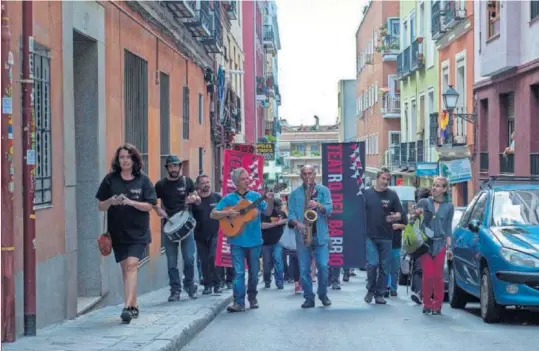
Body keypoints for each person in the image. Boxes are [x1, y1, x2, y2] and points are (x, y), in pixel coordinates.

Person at [95, 143, 157, 324]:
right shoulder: (110, 180)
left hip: (138, 232)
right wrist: (111, 202)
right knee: (126, 269)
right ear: (118, 160)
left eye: (128, 157)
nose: (125, 160)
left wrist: (131, 202)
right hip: (118, 233)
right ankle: (134, 305)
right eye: (122, 157)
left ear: (134, 159)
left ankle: (127, 307)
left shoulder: (143, 180)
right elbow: (100, 206)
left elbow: (150, 205)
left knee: (132, 265)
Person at [210, 167, 274, 312]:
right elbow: (213, 214)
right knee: (238, 273)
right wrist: (227, 212)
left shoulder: (255, 196)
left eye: (247, 178)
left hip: (255, 241)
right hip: (236, 240)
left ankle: (252, 297)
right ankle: (238, 302)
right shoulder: (229, 198)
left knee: (253, 273)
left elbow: (268, 211)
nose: (247, 181)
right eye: (244, 179)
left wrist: (269, 200)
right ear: (236, 182)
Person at [154, 155, 201, 302]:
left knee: (189, 258)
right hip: (169, 226)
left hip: (186, 225)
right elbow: (151, 201)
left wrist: (194, 198)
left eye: (176, 166)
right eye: (171, 166)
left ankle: (189, 284)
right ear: (167, 168)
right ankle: (175, 290)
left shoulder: (187, 181)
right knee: (171, 261)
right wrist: (157, 209)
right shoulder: (160, 185)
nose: (174, 169)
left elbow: (196, 197)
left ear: (180, 167)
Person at [288, 165, 333, 308]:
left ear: (315, 174)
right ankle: (308, 297)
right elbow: (291, 215)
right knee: (304, 269)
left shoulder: (324, 191)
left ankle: (322, 293)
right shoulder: (295, 194)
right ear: (301, 176)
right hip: (302, 236)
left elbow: (330, 210)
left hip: (320, 235)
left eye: (310, 173)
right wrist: (297, 223)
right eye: (305, 174)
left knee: (324, 266)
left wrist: (318, 205)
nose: (308, 176)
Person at [413, 177, 454, 315]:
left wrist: (449, 248)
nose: (435, 188)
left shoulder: (449, 207)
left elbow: (448, 229)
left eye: (438, 186)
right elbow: (413, 214)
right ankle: (427, 304)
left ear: (444, 189)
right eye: (434, 185)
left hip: (440, 243)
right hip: (425, 243)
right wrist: (417, 213)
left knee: (438, 277)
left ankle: (437, 306)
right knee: (428, 275)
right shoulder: (425, 202)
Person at [363, 167, 404, 305]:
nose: (386, 181)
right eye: (383, 179)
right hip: (369, 235)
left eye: (388, 179)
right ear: (377, 178)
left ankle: (379, 294)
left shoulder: (392, 195)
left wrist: (395, 216)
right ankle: (370, 289)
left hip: (386, 236)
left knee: (385, 267)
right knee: (373, 264)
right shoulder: (366, 193)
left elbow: (400, 214)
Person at [191, 174, 223, 295]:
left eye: (208, 182)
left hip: (216, 232)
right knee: (204, 260)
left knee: (214, 257)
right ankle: (207, 285)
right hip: (200, 235)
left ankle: (217, 284)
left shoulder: (217, 197)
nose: (206, 184)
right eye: (203, 182)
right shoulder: (195, 200)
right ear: (198, 185)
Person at [410, 187, 431, 305]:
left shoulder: (419, 208)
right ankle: (421, 292)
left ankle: (419, 292)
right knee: (424, 269)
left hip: (420, 242)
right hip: (429, 242)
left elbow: (412, 224)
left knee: (418, 269)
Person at [261, 198, 287, 289]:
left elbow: (286, 220)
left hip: (278, 242)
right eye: (278, 207)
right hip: (265, 243)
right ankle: (267, 280)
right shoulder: (265, 213)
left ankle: (279, 282)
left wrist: (281, 221)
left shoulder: (281, 214)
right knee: (267, 263)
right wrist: (275, 224)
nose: (280, 209)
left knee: (278, 260)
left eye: (280, 207)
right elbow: (262, 226)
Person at [386, 207, 407, 297]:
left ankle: (393, 288)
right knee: (384, 267)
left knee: (394, 268)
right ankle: (385, 287)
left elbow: (407, 225)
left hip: (396, 244)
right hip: (384, 243)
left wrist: (398, 226)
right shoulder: (383, 209)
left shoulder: (401, 211)